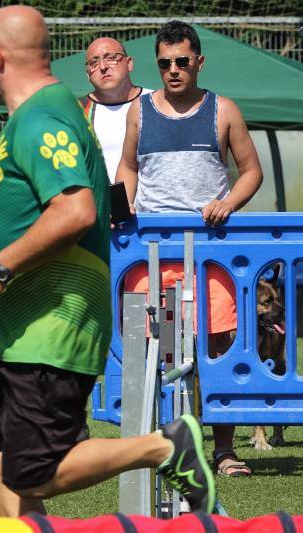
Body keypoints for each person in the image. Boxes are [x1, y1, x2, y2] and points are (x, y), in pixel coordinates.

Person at [0, 6, 216, 517]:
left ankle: (164, 447)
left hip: (51, 321)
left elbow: (75, 210)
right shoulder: (40, 113)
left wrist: (0, 267)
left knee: (33, 470)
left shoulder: (41, 118)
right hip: (17, 324)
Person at [117, 20, 263, 477]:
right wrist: (122, 207)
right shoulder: (138, 110)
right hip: (151, 251)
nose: (174, 70)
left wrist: (227, 203)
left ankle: (224, 451)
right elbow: (126, 167)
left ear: (199, 61)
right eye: (165, 63)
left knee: (218, 347)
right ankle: (160, 446)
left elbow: (252, 171)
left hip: (211, 251)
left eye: (182, 61)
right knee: (151, 353)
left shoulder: (224, 110)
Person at [82, 37, 152, 183]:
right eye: (93, 62)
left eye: (111, 58)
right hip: (100, 203)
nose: (103, 66)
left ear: (129, 63)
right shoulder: (77, 112)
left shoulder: (157, 103)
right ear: (87, 74)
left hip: (152, 204)